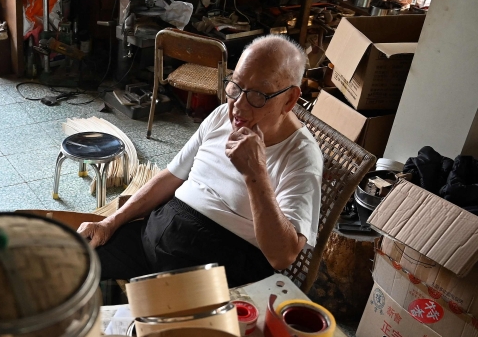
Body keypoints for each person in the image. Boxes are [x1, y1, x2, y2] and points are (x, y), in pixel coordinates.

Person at [78, 35, 322, 287]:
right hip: (157, 233)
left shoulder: (302, 155)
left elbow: (283, 256)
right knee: (71, 265)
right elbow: (171, 177)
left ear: (290, 100)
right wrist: (110, 223)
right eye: (235, 88)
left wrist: (255, 174)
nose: (238, 107)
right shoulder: (221, 116)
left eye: (258, 95)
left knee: (148, 318)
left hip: (215, 266)